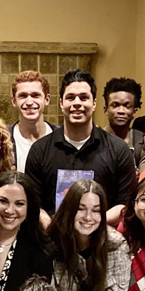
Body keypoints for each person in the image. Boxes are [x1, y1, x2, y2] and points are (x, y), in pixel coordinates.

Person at [25, 69, 137, 227]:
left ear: (94, 103)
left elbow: (125, 203)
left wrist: (91, 224)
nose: (77, 102)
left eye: (84, 97)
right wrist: (52, 228)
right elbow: (33, 203)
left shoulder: (118, 150)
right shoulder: (39, 150)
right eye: (70, 97)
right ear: (61, 103)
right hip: (53, 242)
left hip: (101, 242)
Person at [8, 71, 57, 174]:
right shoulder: (3, 139)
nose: (29, 102)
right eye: (23, 96)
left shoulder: (61, 138)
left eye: (35, 95)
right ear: (14, 101)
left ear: (47, 99)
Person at [102, 77, 145, 170]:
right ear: (106, 110)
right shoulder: (96, 139)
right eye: (115, 105)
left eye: (127, 106)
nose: (121, 111)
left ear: (134, 111)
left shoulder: (141, 141)